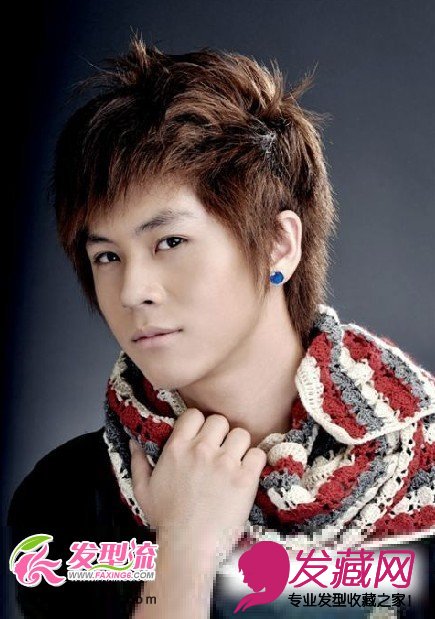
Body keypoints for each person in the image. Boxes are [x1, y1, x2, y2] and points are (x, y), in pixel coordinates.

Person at [7, 34, 435, 618]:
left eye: (170, 242)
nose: (132, 291)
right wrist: (184, 545)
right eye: (106, 255)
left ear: (279, 244)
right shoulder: (65, 501)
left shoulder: (421, 470)